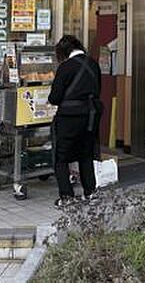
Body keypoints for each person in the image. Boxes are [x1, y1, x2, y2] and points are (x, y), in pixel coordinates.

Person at [48, 35, 103, 206]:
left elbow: (55, 97)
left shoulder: (65, 67)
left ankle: (67, 197)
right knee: (85, 154)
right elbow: (98, 90)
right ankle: (91, 193)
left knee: (61, 157)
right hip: (91, 116)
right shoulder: (93, 64)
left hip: (69, 117)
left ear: (63, 52)